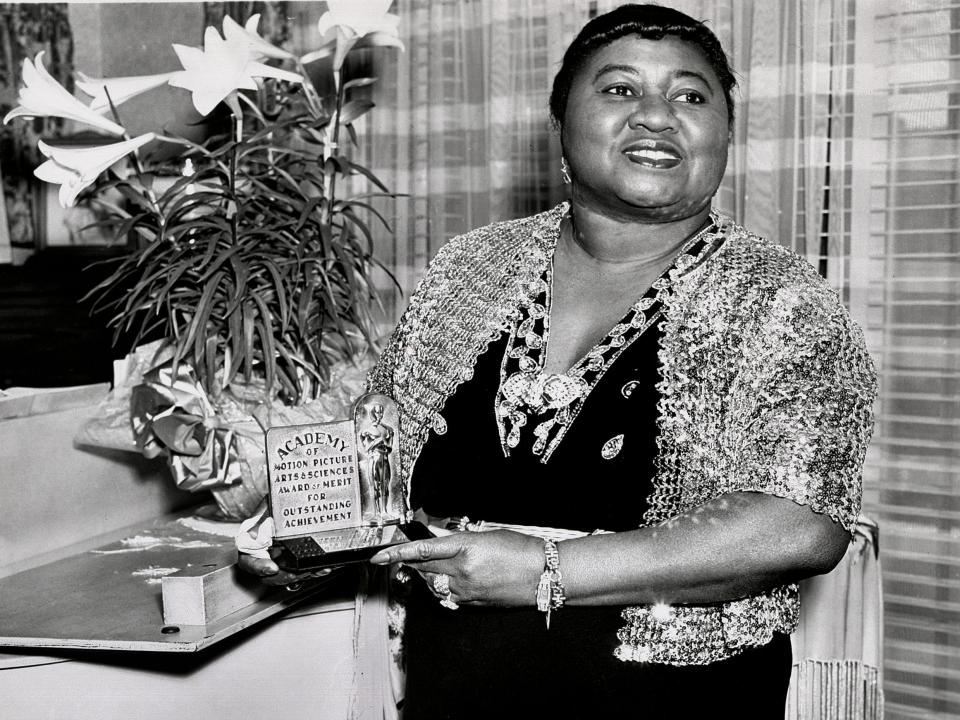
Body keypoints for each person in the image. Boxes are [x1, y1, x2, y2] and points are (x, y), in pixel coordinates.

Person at [240, 4, 877, 717]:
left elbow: (801, 524)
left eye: (691, 96)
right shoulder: (470, 269)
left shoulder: (782, 300)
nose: (657, 116)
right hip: (456, 692)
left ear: (724, 135)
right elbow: (382, 449)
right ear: (559, 130)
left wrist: (549, 572)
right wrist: (303, 532)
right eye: (619, 89)